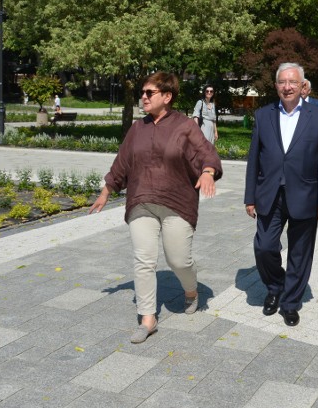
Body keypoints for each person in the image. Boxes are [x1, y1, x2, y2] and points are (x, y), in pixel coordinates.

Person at [90, 72, 222, 344]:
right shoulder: (138, 128)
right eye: (143, 92)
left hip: (177, 203)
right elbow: (122, 163)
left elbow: (205, 153)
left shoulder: (185, 126)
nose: (144, 97)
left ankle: (191, 290)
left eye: (149, 93)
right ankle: (148, 318)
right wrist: (106, 191)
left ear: (167, 97)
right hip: (141, 201)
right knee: (144, 260)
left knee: (178, 260)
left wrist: (207, 172)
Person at [245, 62, 318, 327]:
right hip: (269, 194)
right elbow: (254, 159)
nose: (287, 87)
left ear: (302, 86)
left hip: (305, 195)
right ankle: (275, 286)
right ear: (276, 86)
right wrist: (249, 196)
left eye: (293, 82)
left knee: (300, 253)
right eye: (282, 82)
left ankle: (290, 302)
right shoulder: (263, 115)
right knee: (263, 247)